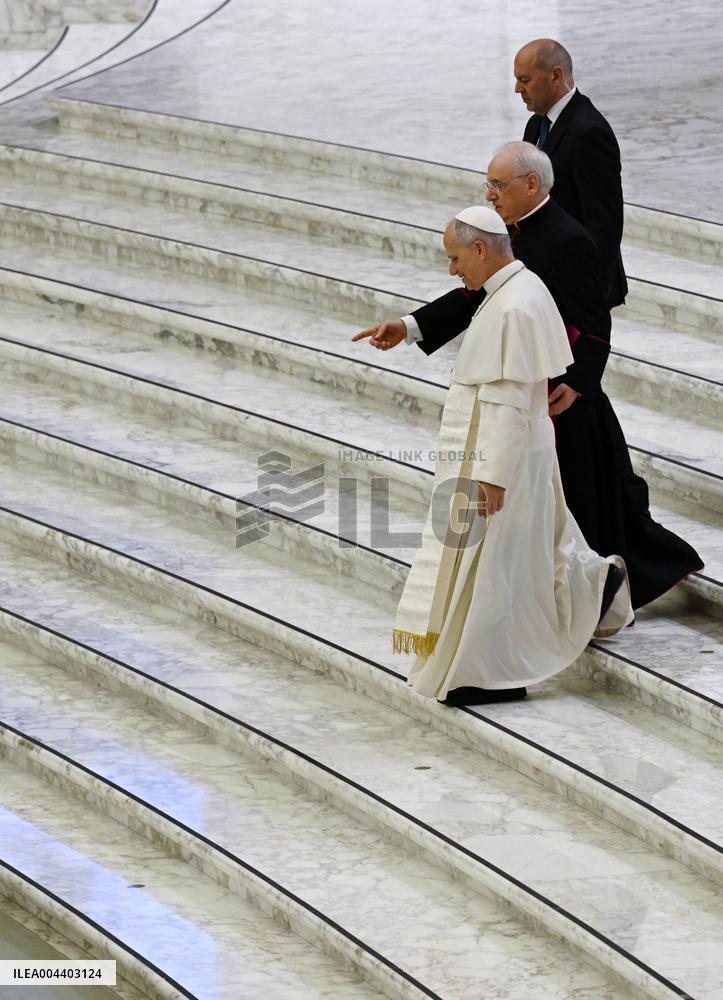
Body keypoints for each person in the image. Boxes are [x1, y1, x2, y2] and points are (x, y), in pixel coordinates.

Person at [353, 144, 704, 610]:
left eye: (498, 185)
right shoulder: (509, 234)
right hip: (530, 391)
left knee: (587, 510)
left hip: (563, 398)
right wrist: (411, 325)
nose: (490, 195)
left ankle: (593, 599)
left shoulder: (568, 239)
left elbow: (596, 326)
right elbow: (473, 294)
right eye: (489, 186)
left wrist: (577, 384)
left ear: (532, 184)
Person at [387, 206, 632, 707]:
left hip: (506, 455)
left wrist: (491, 477)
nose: (452, 270)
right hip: (520, 446)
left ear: (481, 250)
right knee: (533, 547)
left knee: (499, 563)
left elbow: (505, 398)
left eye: (456, 259)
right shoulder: (517, 290)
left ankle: (492, 672)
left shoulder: (513, 307)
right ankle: (598, 581)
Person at [514, 37, 627, 307]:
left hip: (577, 288)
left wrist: (588, 293)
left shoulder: (589, 132)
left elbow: (605, 225)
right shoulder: (536, 124)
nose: (518, 88)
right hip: (544, 278)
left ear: (555, 75)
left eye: (525, 80)